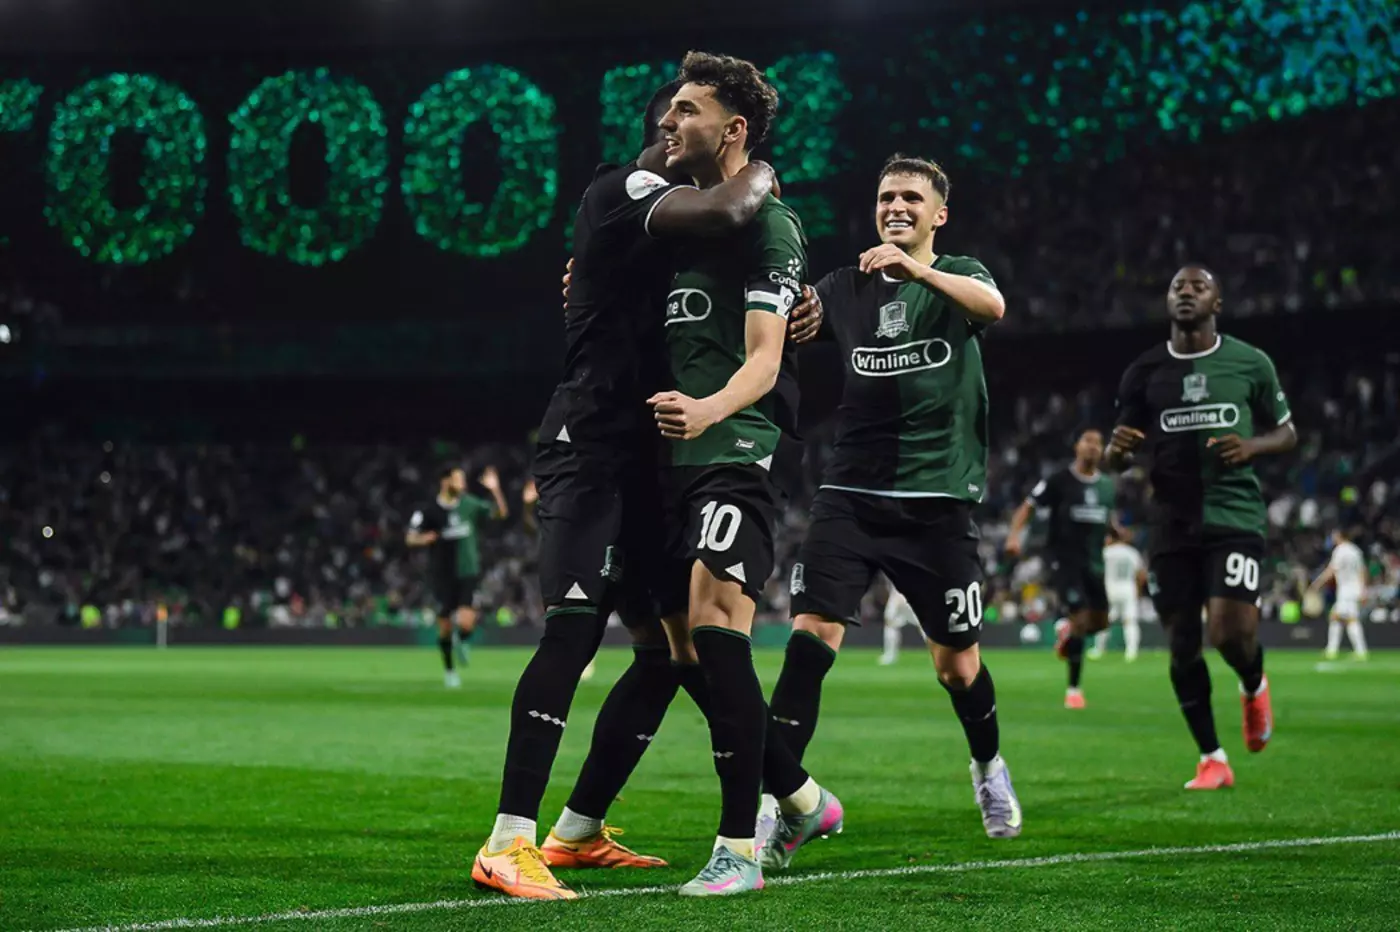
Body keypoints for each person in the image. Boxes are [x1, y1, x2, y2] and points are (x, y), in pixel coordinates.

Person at [471, 74, 797, 900]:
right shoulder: (625, 190)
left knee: (671, 650)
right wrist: (762, 172)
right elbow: (729, 208)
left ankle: (579, 832)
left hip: (648, 460)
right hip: (591, 442)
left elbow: (728, 290)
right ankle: (507, 841)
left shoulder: (673, 236)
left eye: (689, 111)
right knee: (573, 630)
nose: (673, 123)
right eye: (670, 114)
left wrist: (813, 305)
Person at [633, 50, 841, 898]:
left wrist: (708, 410)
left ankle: (739, 850)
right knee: (686, 653)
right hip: (669, 459)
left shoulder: (771, 226)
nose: (669, 120)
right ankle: (802, 798)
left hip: (737, 444)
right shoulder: (679, 221)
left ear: (734, 130)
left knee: (719, 629)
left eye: (688, 109)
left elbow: (763, 359)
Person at [766, 152, 1022, 841]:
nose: (896, 207)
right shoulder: (846, 286)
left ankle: (988, 766)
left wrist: (917, 272)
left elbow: (994, 307)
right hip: (850, 492)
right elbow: (789, 314)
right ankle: (778, 807)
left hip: (936, 501)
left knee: (957, 668)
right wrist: (790, 305)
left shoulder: (960, 275)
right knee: (808, 643)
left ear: (939, 214)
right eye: (886, 197)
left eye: (911, 197)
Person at [1107, 264, 1297, 790]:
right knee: (1182, 644)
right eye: (1177, 287)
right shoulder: (1144, 371)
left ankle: (1253, 683)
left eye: (1199, 287)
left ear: (1217, 304)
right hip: (1171, 522)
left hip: (1235, 514)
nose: (1186, 293)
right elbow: (1116, 457)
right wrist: (1114, 453)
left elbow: (1287, 432)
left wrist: (1253, 445)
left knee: (1230, 635)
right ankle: (1212, 757)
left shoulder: (1250, 362)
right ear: (1168, 302)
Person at [1006, 428, 1117, 708]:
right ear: (1077, 446)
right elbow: (1028, 506)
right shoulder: (1059, 479)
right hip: (1064, 560)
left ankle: (1065, 629)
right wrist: (1014, 536)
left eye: (1098, 443)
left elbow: (1106, 518)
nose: (1093, 447)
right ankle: (1074, 690)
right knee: (1081, 618)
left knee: (1101, 622)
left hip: (1095, 562)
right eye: (1087, 441)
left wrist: (1116, 531)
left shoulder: (1107, 486)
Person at [406, 464, 507, 687]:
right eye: (458, 479)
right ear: (445, 482)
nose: (462, 484)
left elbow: (500, 513)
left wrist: (495, 489)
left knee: (466, 621)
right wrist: (424, 539)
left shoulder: (469, 504)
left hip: (467, 570)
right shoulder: (429, 510)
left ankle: (461, 640)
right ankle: (450, 671)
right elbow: (410, 537)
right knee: (444, 626)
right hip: (441, 574)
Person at [1308, 528, 1370, 661]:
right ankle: (1332, 650)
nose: (1332, 538)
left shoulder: (1340, 550)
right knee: (1336, 617)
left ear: (1340, 536)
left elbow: (1331, 570)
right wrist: (1363, 590)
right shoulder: (1356, 550)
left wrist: (1317, 583)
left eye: (1334, 535)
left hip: (1346, 590)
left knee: (1351, 619)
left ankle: (1361, 651)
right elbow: (1362, 571)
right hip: (1355, 589)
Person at [1098, 527, 1147, 661]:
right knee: (1130, 621)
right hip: (1128, 588)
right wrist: (1138, 591)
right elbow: (1141, 575)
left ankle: (1099, 648)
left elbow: (1098, 571)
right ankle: (1132, 651)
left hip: (1110, 588)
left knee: (1105, 620)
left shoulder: (1107, 552)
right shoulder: (1132, 553)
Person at [878, 579, 919, 666]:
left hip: (904, 596)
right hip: (903, 595)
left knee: (925, 626)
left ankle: (890, 655)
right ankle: (890, 655)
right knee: (890, 624)